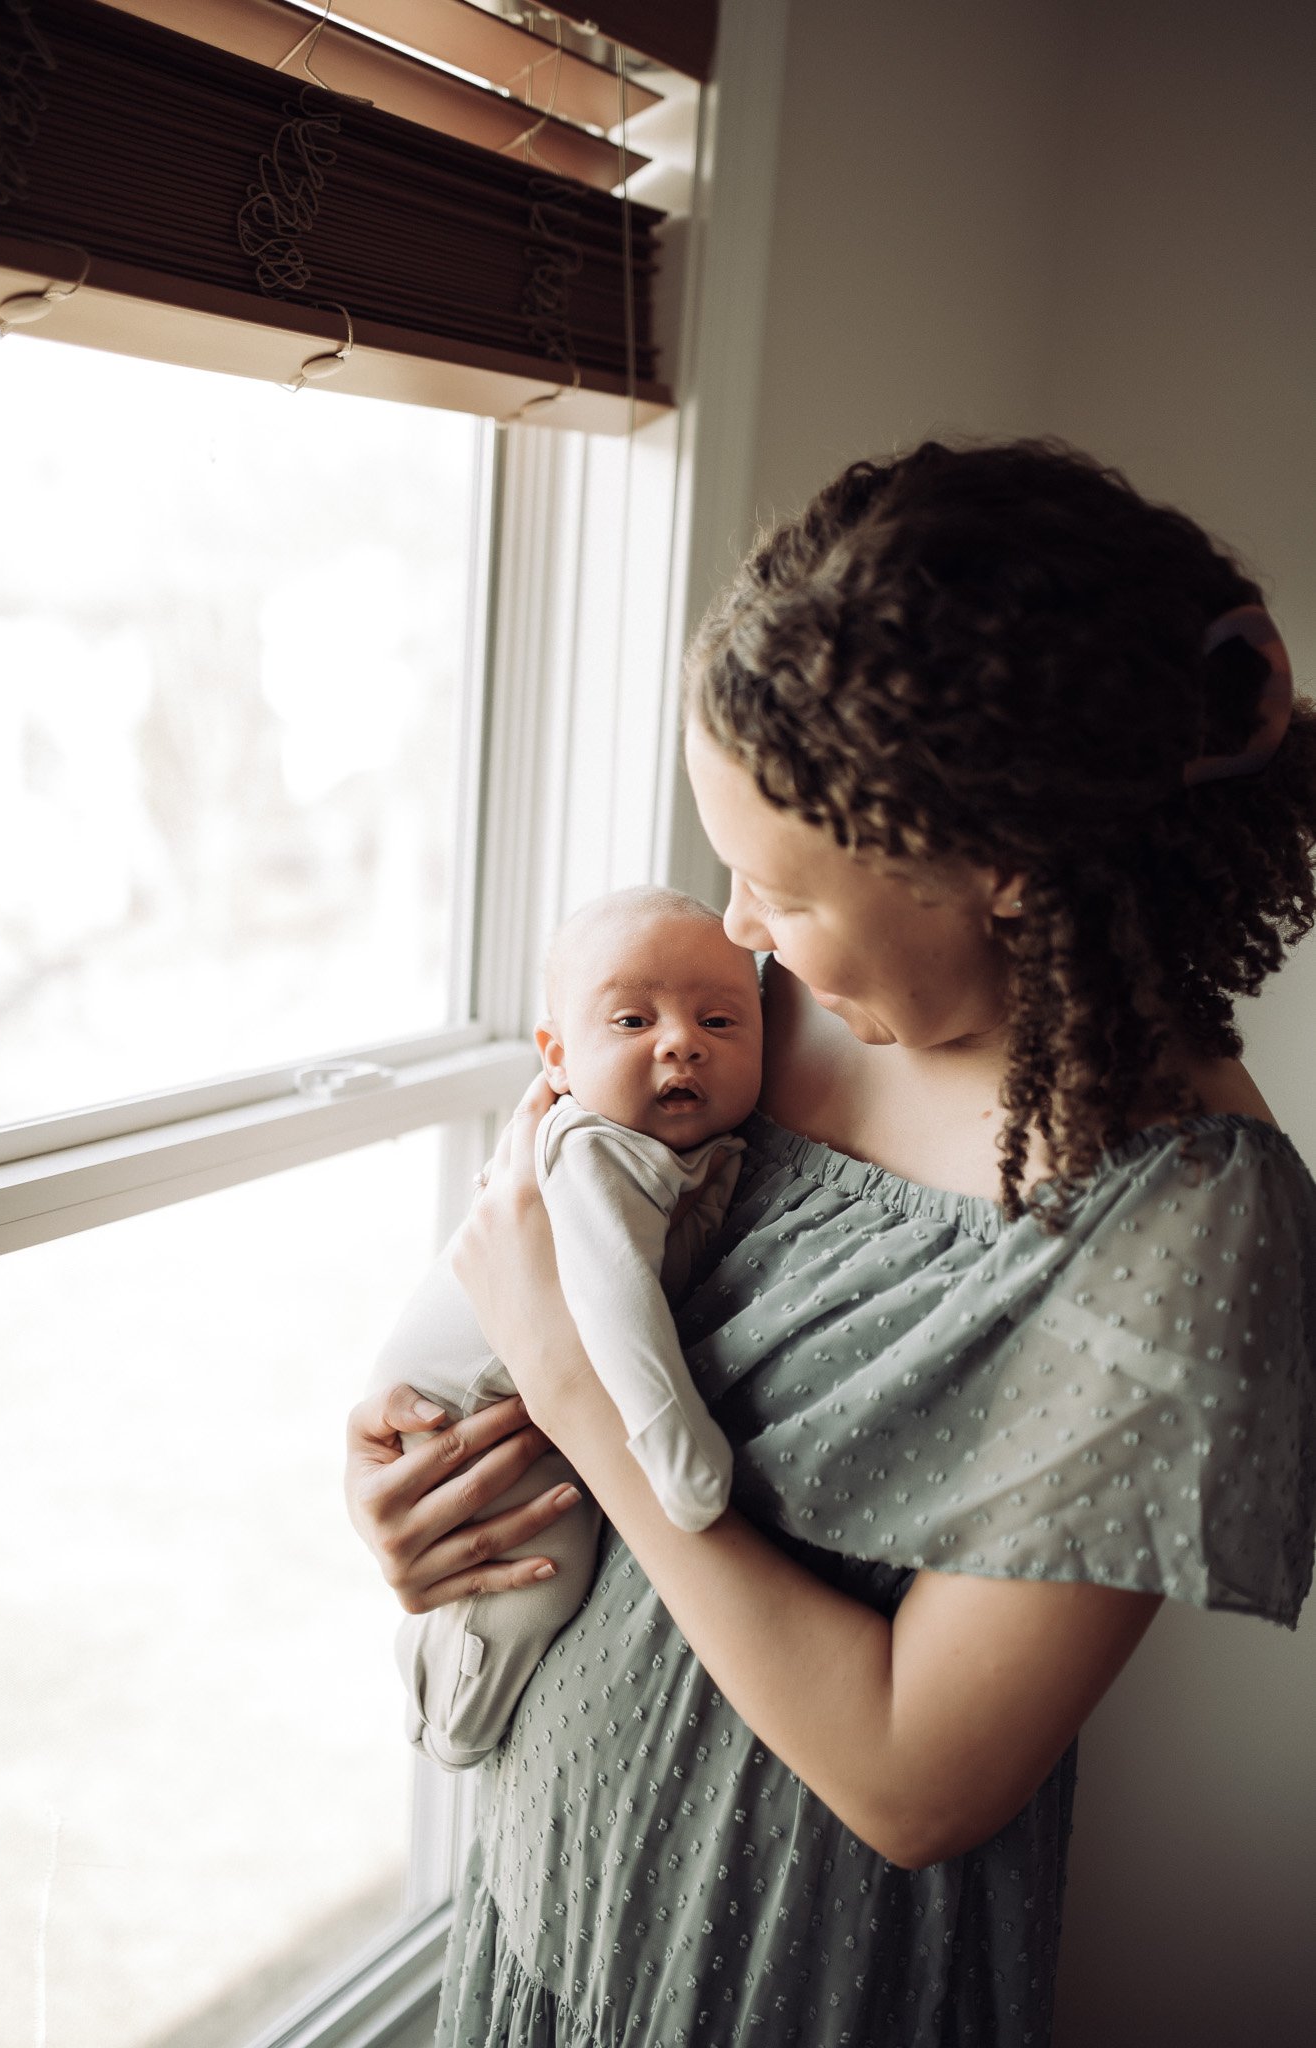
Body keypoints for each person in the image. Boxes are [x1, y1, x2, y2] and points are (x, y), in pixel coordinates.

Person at [344, 438, 1316, 2047]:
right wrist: (424, 1489)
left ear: (991, 880)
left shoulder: (1189, 1234)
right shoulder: (753, 1020)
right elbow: (533, 1229)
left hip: (772, 1972)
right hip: (551, 1874)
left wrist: (578, 1392)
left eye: (778, 888)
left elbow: (913, 1781)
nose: (731, 928)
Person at [369, 886, 762, 1770]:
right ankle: (447, 1708)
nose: (679, 1041)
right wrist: (674, 1446)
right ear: (558, 1057)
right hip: (466, 1412)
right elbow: (614, 1297)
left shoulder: (690, 1151)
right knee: (533, 1578)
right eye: (630, 1019)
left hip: (530, 1393)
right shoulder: (591, 1146)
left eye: (721, 1021)